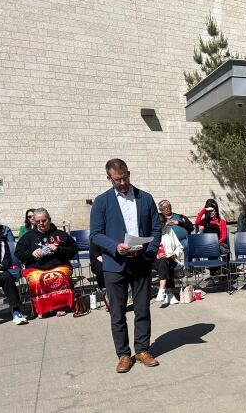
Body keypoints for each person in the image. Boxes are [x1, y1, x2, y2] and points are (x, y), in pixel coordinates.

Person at [90, 158, 162, 373]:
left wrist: (150, 252)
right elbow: (95, 234)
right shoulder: (101, 202)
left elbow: (156, 229)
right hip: (115, 263)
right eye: (117, 180)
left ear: (129, 173)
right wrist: (115, 246)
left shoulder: (146, 198)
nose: (122, 183)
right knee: (118, 312)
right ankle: (123, 354)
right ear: (109, 178)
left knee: (142, 309)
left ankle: (142, 350)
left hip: (141, 261)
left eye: (125, 178)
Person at [15, 208, 79, 316]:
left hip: (59, 265)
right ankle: (44, 309)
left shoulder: (60, 234)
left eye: (44, 220)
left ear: (49, 219)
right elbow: (19, 253)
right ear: (34, 222)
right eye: (38, 221)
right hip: (36, 267)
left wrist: (59, 249)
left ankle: (61, 306)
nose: (41, 223)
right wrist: (31, 253)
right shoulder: (28, 237)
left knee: (59, 275)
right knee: (37, 279)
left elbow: (73, 250)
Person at [195, 198, 229, 282]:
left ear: (216, 210)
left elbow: (224, 236)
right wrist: (204, 210)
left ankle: (214, 274)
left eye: (213, 210)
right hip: (208, 246)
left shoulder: (221, 221)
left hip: (219, 244)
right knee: (210, 250)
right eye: (209, 211)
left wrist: (216, 243)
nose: (211, 213)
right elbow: (196, 222)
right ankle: (214, 274)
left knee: (212, 250)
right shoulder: (205, 221)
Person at [154, 213, 184, 305]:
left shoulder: (169, 230)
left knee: (166, 262)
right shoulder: (150, 232)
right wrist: (156, 256)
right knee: (164, 263)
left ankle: (163, 291)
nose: (162, 226)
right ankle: (169, 293)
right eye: (160, 224)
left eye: (163, 224)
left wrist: (175, 254)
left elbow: (179, 246)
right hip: (155, 259)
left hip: (170, 257)